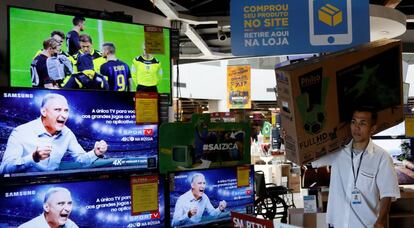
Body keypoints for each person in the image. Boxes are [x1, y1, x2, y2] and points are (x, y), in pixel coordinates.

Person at [312, 106, 400, 228]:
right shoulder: (338, 152)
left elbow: (387, 194)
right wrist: (289, 139)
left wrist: (381, 221)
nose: (356, 127)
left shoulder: (382, 158)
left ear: (372, 129)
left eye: (362, 123)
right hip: (338, 224)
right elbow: (309, 159)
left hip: (365, 225)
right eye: (354, 122)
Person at [0, 94, 108, 174]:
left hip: (55, 183)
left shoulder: (67, 133)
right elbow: (4, 169)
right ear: (44, 112)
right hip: (26, 186)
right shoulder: (21, 132)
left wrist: (95, 152)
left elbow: (82, 161)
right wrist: (33, 157)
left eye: (66, 110)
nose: (64, 115)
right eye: (57, 110)